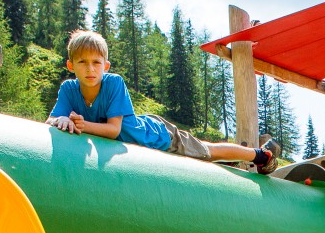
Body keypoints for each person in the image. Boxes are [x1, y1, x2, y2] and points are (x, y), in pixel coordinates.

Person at [49, 29, 280, 173]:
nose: (90, 69)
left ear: (106, 66)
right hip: (138, 144)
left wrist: (81, 125)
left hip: (157, 136)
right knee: (203, 157)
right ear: (71, 65)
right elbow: (52, 119)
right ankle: (234, 161)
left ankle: (262, 155)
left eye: (96, 62)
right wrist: (60, 119)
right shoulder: (69, 89)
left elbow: (113, 129)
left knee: (207, 151)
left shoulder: (113, 83)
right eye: (82, 62)